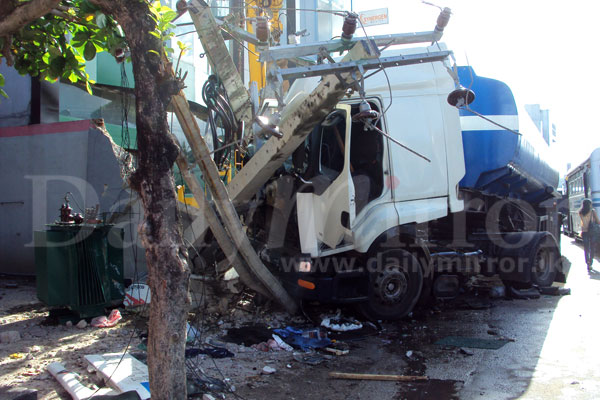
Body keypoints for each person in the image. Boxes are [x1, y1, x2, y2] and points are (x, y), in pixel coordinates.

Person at [579, 198, 599, 270]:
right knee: (592, 247)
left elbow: (582, 222)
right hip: (592, 232)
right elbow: (598, 221)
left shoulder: (580, 212)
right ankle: (590, 262)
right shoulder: (592, 211)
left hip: (584, 231)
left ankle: (587, 263)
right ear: (590, 205)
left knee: (586, 248)